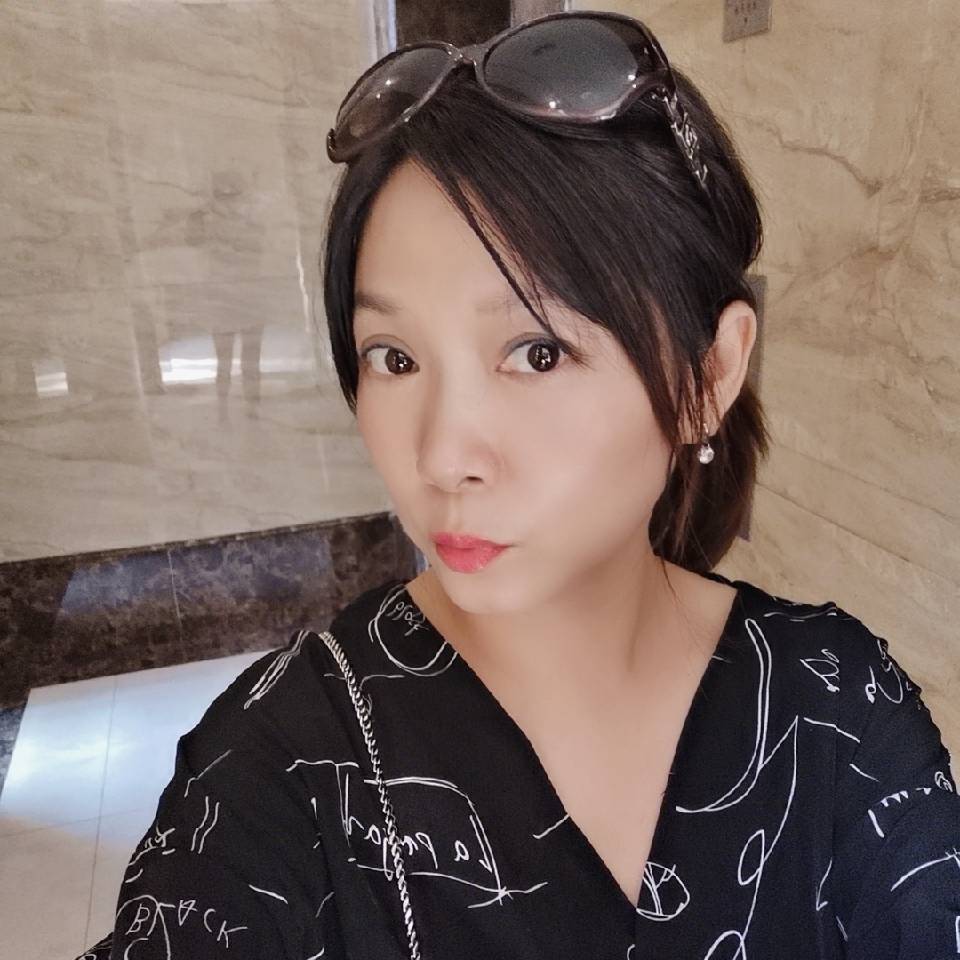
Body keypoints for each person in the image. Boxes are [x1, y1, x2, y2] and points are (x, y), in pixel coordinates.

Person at [76, 12, 957, 959]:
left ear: (710, 374)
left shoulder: (838, 704)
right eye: (394, 357)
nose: (443, 456)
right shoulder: (279, 762)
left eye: (536, 351)